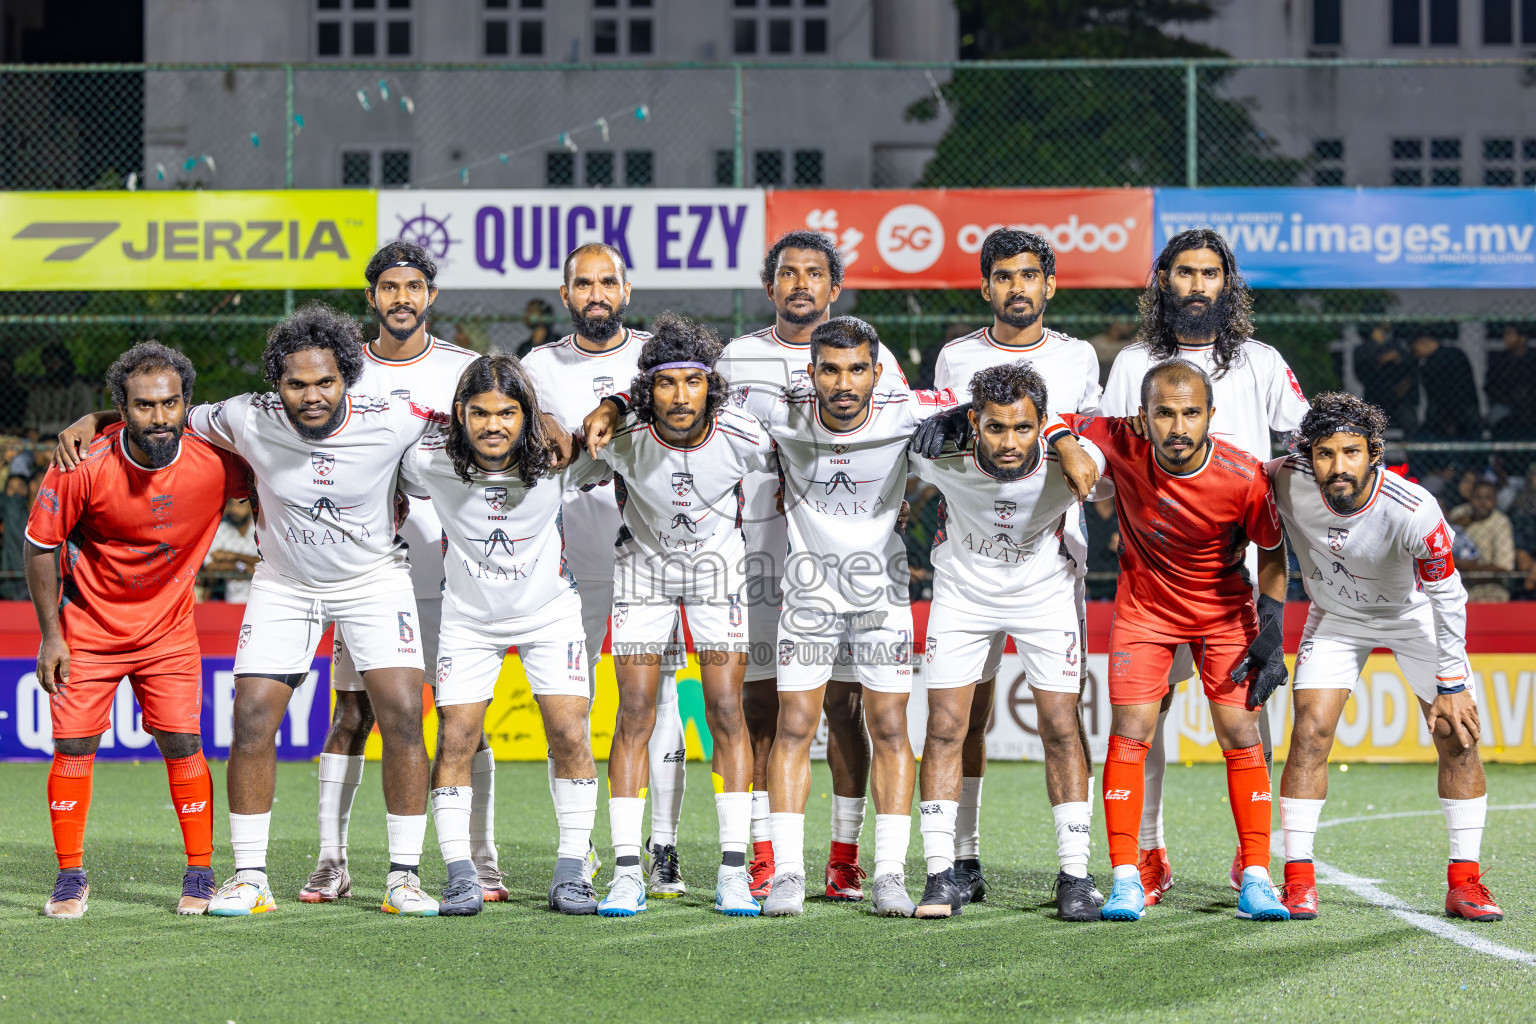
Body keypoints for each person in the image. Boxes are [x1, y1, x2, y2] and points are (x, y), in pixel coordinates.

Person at [1101, 227, 1309, 906]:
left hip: (1236, 576)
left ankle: (1253, 861)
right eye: (1184, 272)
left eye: (1209, 273)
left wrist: (1276, 490)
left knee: (1248, 720)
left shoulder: (1260, 361)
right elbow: (1103, 454)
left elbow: (1303, 442)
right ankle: (1148, 854)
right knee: (1146, 716)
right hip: (1155, 571)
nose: (1197, 285)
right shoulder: (1134, 363)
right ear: (1164, 281)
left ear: (1227, 283)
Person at [714, 230, 911, 901]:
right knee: (765, 709)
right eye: (788, 273)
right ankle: (770, 859)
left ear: (834, 287)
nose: (801, 284)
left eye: (814, 273)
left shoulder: (874, 361)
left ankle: (848, 858)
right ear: (769, 286)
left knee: (850, 708)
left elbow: (908, 441)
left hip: (858, 565)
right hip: (760, 555)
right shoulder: (738, 358)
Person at [305, 241, 501, 906]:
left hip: (455, 572)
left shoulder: (464, 369)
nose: (401, 298)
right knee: (352, 714)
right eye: (389, 287)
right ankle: (331, 860)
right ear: (371, 297)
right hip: (369, 570)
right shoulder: (342, 371)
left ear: (430, 296)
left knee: (462, 719)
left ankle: (481, 857)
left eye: (413, 287)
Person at [26, 342, 246, 917]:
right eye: (144, 406)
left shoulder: (218, 461)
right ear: (122, 409)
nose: (160, 416)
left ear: (186, 403)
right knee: (74, 747)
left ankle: (200, 873)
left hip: (168, 632)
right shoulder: (82, 463)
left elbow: (283, 467)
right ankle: (70, 876)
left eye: (170, 403)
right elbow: (40, 547)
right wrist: (51, 635)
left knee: (183, 743)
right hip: (86, 629)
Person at [1072, 360, 1292, 923]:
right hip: (1145, 612)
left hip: (1223, 612)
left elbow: (1273, 553)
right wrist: (1062, 438)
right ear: (1142, 417)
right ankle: (1127, 877)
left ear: (1211, 415)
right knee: (1131, 731)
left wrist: (1271, 632)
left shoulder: (1244, 476)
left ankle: (1256, 876)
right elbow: (1057, 421)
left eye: (1191, 413)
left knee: (1241, 732)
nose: (1178, 427)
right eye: (1164, 414)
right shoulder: (1122, 441)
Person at [1269, 393, 1501, 922]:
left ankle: (1465, 884)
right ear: (1308, 455)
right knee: (1310, 733)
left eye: (1351, 452)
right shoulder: (1283, 478)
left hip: (1411, 615)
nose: (1338, 466)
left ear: (1374, 453)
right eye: (1324, 453)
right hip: (1336, 616)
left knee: (1458, 735)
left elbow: (1448, 597)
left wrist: (1451, 682)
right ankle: (1298, 882)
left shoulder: (1413, 508)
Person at [927, 227, 1103, 905]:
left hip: (1050, 557)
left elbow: (1091, 447)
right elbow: (939, 437)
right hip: (968, 559)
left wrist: (1059, 435)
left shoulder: (1077, 355)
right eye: (1004, 276)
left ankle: (1076, 872)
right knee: (960, 719)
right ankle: (959, 862)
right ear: (986, 287)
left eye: (1029, 275)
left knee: (1063, 720)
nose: (1017, 287)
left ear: (1049, 285)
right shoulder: (956, 356)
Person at [397, 354, 604, 916]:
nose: (494, 425)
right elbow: (381, 453)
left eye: (508, 413)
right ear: (460, 414)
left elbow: (620, 445)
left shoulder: (559, 458)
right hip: (468, 620)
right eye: (481, 413)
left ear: (526, 414)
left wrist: (580, 419)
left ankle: (573, 869)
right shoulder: (430, 459)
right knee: (456, 738)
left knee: (570, 734)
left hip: (550, 614)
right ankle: (460, 873)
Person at [585, 314, 774, 918]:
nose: (681, 395)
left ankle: (733, 872)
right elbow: (563, 464)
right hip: (643, 573)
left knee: (726, 711)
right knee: (635, 713)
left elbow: (802, 464)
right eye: (667, 383)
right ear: (650, 388)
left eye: (694, 381)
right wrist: (611, 407)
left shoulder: (743, 434)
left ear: (710, 385)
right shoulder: (624, 437)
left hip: (718, 575)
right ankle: (626, 873)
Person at [522, 242, 689, 898]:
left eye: (607, 282)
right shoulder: (537, 366)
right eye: (584, 284)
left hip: (650, 556)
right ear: (566, 294)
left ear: (627, 290)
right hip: (570, 562)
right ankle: (581, 848)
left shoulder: (657, 359)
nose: (597, 294)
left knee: (662, 697)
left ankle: (663, 847)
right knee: (571, 704)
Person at [1448, 480, 1515, 603]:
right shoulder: (1459, 514)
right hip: (1458, 581)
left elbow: (1504, 566)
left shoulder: (1501, 522)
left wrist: (1473, 567)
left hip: (1491, 583)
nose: (1482, 503)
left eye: (1488, 498)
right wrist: (1455, 525)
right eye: (1478, 497)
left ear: (1495, 501)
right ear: (1471, 498)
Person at [1410, 333, 1481, 440]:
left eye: (1415, 350)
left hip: (1448, 414)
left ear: (1422, 343)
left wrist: (1447, 420)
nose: (1416, 355)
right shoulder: (1456, 353)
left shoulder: (1432, 364)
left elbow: (1443, 394)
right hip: (1465, 411)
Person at [1352, 324, 1416, 433]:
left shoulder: (1395, 345)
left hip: (1397, 394)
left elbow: (1409, 365)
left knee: (1408, 420)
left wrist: (1398, 358)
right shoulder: (1363, 349)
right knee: (1372, 424)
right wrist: (1380, 359)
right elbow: (1362, 372)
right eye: (1379, 330)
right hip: (1375, 393)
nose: (1383, 333)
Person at [1484, 325, 1536, 438]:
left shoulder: (1532, 358)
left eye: (1509, 334)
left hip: (1531, 405)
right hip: (1506, 405)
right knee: (1497, 417)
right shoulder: (1499, 360)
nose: (1505, 338)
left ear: (1522, 338)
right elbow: (1490, 386)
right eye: (1505, 334)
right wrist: (1509, 398)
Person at [203, 497, 259, 602]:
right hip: (229, 600)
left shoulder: (260, 529)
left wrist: (233, 556)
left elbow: (265, 563)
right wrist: (241, 566)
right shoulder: (220, 529)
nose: (234, 510)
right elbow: (210, 565)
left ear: (251, 507)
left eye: (240, 505)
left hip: (259, 597)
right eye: (232, 505)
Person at [1, 472, 31, 600]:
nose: (15, 492)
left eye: (20, 486)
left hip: (19, 582)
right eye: (11, 488)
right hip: (12, 582)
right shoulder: (10, 509)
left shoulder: (27, 512)